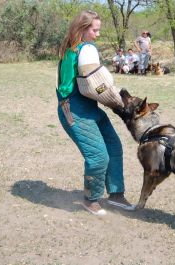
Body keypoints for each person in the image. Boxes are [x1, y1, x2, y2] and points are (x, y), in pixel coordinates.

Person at [57, 10, 134, 215]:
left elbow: (93, 89)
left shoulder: (76, 49)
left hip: (89, 107)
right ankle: (90, 199)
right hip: (73, 109)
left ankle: (116, 194)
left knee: (114, 147)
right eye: (94, 30)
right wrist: (118, 103)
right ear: (82, 29)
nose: (97, 35)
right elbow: (95, 87)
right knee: (98, 157)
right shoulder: (85, 49)